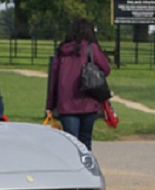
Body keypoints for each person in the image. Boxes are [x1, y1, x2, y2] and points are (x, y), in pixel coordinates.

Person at [46, 17, 110, 148]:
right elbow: (106, 69)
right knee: (85, 141)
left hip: (66, 103)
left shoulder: (62, 50)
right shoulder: (91, 48)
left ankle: (73, 167)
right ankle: (86, 167)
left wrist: (50, 104)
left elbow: (54, 80)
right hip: (88, 100)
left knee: (71, 142)